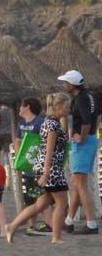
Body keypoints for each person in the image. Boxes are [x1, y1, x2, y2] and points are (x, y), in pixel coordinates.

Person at [6, 92, 72, 244]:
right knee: (61, 202)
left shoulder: (49, 122)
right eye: (67, 107)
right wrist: (46, 172)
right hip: (50, 168)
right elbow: (48, 150)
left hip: (43, 167)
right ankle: (56, 237)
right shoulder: (52, 124)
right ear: (59, 107)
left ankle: (12, 226)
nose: (69, 110)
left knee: (41, 204)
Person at [58, 70, 99, 234]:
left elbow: (87, 122)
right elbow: (96, 117)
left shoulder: (80, 99)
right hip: (90, 141)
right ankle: (69, 220)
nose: (63, 85)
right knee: (76, 183)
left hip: (83, 143)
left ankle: (91, 223)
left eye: (65, 82)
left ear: (72, 84)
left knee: (81, 185)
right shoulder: (90, 96)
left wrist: (81, 138)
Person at [16, 96, 50, 235]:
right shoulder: (20, 123)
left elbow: (46, 141)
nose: (19, 108)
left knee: (41, 196)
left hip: (39, 166)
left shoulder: (40, 122)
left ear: (27, 107)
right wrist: (20, 158)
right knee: (30, 196)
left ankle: (50, 224)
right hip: (27, 166)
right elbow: (17, 140)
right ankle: (32, 226)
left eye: (21, 105)